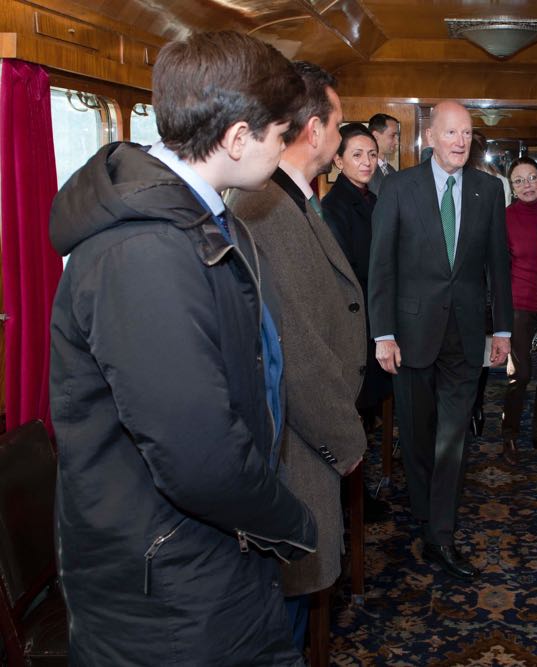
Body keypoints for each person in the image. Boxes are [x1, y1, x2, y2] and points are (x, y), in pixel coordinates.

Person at [48, 31, 316, 664]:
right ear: (239, 137)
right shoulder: (142, 253)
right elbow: (197, 453)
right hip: (168, 583)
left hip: (208, 554)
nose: (284, 155)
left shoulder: (201, 221)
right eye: (282, 137)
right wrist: (291, 521)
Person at [227, 62, 367, 650]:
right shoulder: (267, 211)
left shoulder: (297, 200)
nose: (338, 139)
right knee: (281, 627)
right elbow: (299, 353)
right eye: (336, 126)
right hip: (299, 449)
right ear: (314, 129)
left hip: (307, 442)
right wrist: (347, 441)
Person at [368, 100, 513, 580]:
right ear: (430, 137)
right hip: (409, 335)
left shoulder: (489, 191)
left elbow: (499, 265)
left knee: (453, 439)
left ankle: (440, 535)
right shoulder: (398, 187)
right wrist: (383, 333)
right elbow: (381, 265)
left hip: (467, 336)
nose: (460, 141)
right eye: (451, 133)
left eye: (467, 133)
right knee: (416, 436)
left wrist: (504, 330)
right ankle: (426, 515)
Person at [322, 123, 394, 421]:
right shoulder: (333, 206)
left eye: (372, 154)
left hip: (380, 308)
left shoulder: (376, 200)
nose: (367, 162)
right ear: (338, 161)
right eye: (357, 155)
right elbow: (347, 271)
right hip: (358, 315)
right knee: (358, 404)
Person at [500, 157, 537, 464]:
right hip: (519, 306)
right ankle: (509, 435)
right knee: (520, 374)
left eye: (533, 177)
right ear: (511, 188)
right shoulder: (505, 218)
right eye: (519, 180)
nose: (527, 185)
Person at [368, 112, 400, 195]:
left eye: (397, 137)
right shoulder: (365, 169)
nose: (397, 142)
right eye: (392, 136)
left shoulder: (391, 170)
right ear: (375, 136)